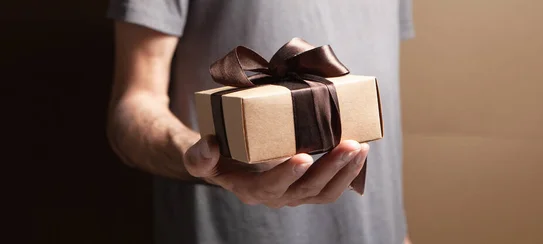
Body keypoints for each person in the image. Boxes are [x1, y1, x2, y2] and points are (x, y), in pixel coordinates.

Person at [106, 1, 415, 243]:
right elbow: (133, 105)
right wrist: (210, 159)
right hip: (234, 231)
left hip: (377, 229)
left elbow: (381, 75)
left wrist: (400, 233)